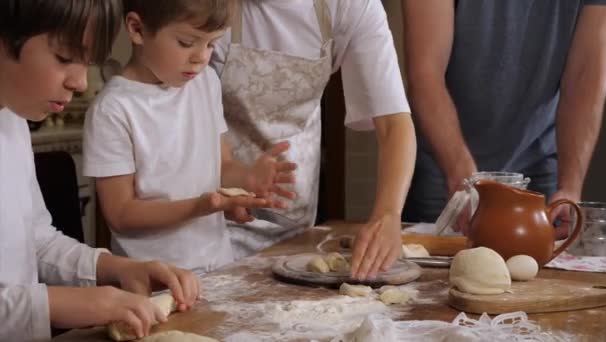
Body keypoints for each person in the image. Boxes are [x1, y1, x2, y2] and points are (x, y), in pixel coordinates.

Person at [0, 1, 201, 340]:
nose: (80, 82)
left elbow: (36, 241)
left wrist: (115, 269)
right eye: (64, 58)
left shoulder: (12, 117)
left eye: (87, 63)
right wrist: (59, 304)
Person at [84, 0, 296, 275]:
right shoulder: (113, 109)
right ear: (137, 29)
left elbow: (222, 166)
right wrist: (201, 206)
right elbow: (121, 214)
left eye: (211, 44)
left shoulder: (205, 83)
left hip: (219, 267)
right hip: (154, 280)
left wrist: (247, 179)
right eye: (186, 43)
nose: (201, 57)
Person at [210, 0, 416, 280]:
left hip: (297, 230)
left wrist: (388, 214)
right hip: (213, 219)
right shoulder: (209, 6)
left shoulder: (350, 6)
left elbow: (394, 124)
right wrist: (229, 181)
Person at [401, 0, 606, 234]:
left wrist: (570, 187)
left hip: (536, 165)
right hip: (445, 169)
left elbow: (584, 78)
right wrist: (459, 173)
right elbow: (426, 73)